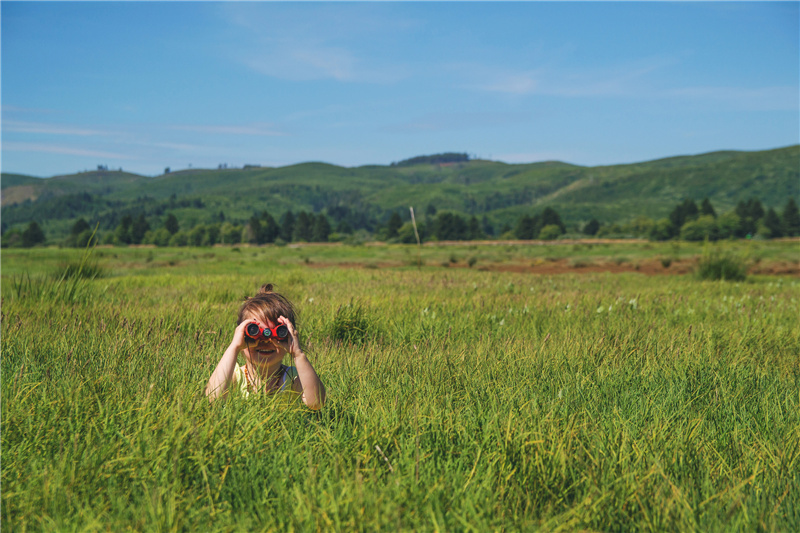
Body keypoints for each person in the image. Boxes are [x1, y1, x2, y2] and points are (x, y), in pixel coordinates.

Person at [205, 283, 326, 409]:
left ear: (288, 336)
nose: (267, 341)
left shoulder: (293, 377)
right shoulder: (236, 376)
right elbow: (213, 399)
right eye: (255, 332)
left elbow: (316, 403)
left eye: (278, 333)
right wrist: (234, 347)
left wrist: (298, 354)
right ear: (242, 335)